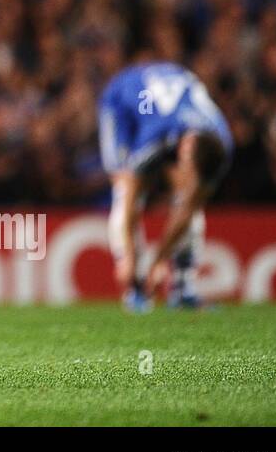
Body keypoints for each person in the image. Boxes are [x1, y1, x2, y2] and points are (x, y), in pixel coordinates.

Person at [99, 61, 233, 311]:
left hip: (170, 102)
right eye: (186, 170)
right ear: (185, 147)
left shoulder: (222, 145)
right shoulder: (155, 138)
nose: (185, 178)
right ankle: (134, 286)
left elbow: (189, 207)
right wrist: (129, 256)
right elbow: (130, 199)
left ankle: (183, 290)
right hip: (123, 104)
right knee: (123, 189)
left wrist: (159, 261)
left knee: (189, 201)